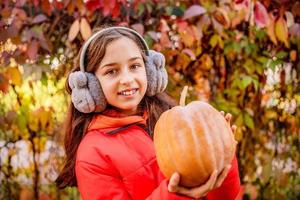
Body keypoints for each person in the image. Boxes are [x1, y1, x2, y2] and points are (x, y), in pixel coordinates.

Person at [55, 26, 240, 200]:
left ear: (150, 72)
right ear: (90, 86)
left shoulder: (170, 118)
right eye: (112, 71)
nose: (127, 79)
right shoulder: (93, 154)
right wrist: (175, 193)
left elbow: (224, 196)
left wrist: (223, 154)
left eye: (134, 66)